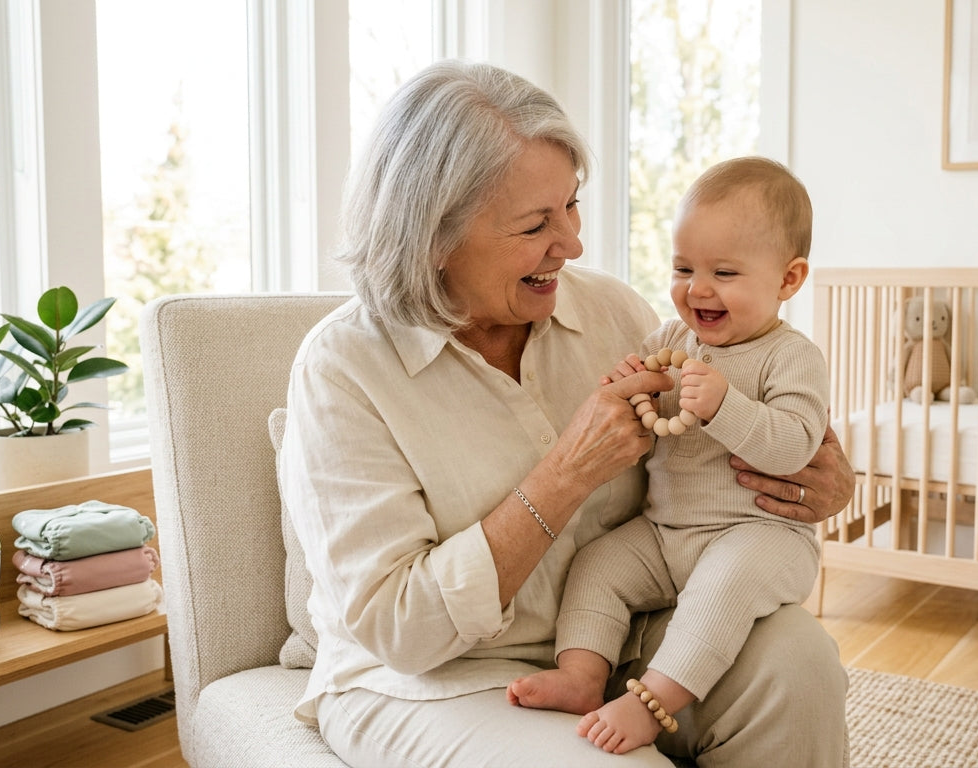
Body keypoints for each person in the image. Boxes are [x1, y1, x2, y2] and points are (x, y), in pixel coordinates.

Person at [277, 59, 853, 768]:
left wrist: (820, 481)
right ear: (434, 237)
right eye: (535, 224)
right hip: (434, 680)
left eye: (572, 206)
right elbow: (401, 630)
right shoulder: (344, 370)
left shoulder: (611, 311)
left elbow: (747, 437)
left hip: (626, 635)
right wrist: (565, 475)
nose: (573, 243)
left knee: (801, 660)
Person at [507, 156, 830, 755]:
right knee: (599, 564)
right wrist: (630, 386)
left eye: (725, 272)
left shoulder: (791, 357)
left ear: (789, 280)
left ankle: (652, 701)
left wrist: (725, 406)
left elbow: (794, 446)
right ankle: (582, 674)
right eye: (683, 268)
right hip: (666, 531)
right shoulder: (670, 341)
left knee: (721, 589)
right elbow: (641, 407)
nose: (697, 288)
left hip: (759, 535)